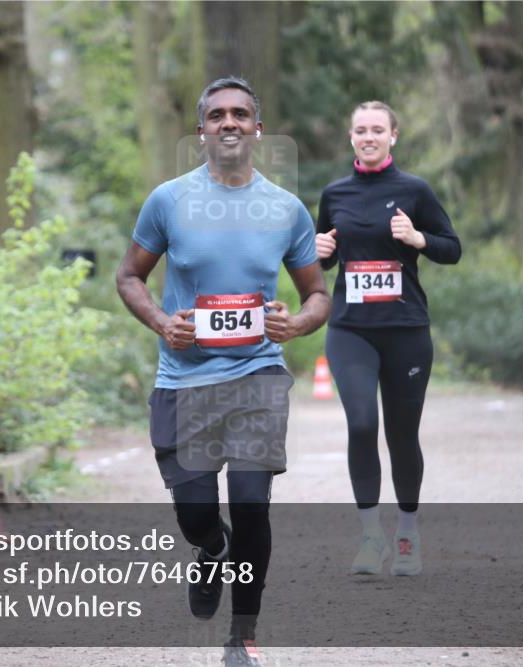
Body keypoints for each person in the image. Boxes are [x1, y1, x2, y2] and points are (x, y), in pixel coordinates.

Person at [116, 77, 330, 666]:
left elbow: (317, 295)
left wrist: (296, 324)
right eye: (217, 115)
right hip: (184, 380)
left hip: (257, 375)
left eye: (240, 114)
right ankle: (211, 549)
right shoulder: (169, 201)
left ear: (257, 129)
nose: (228, 122)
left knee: (252, 502)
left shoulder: (285, 209)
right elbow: (129, 277)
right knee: (195, 515)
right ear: (201, 131)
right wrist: (163, 323)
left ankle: (243, 636)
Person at [315, 101, 461, 577]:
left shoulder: (414, 190)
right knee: (361, 424)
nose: (369, 137)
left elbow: (452, 248)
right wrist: (318, 251)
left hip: (405, 330)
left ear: (393, 135)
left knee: (401, 434)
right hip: (350, 330)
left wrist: (419, 239)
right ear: (351, 138)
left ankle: (407, 534)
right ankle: (369, 536)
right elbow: (320, 261)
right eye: (361, 130)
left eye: (378, 129)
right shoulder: (335, 193)